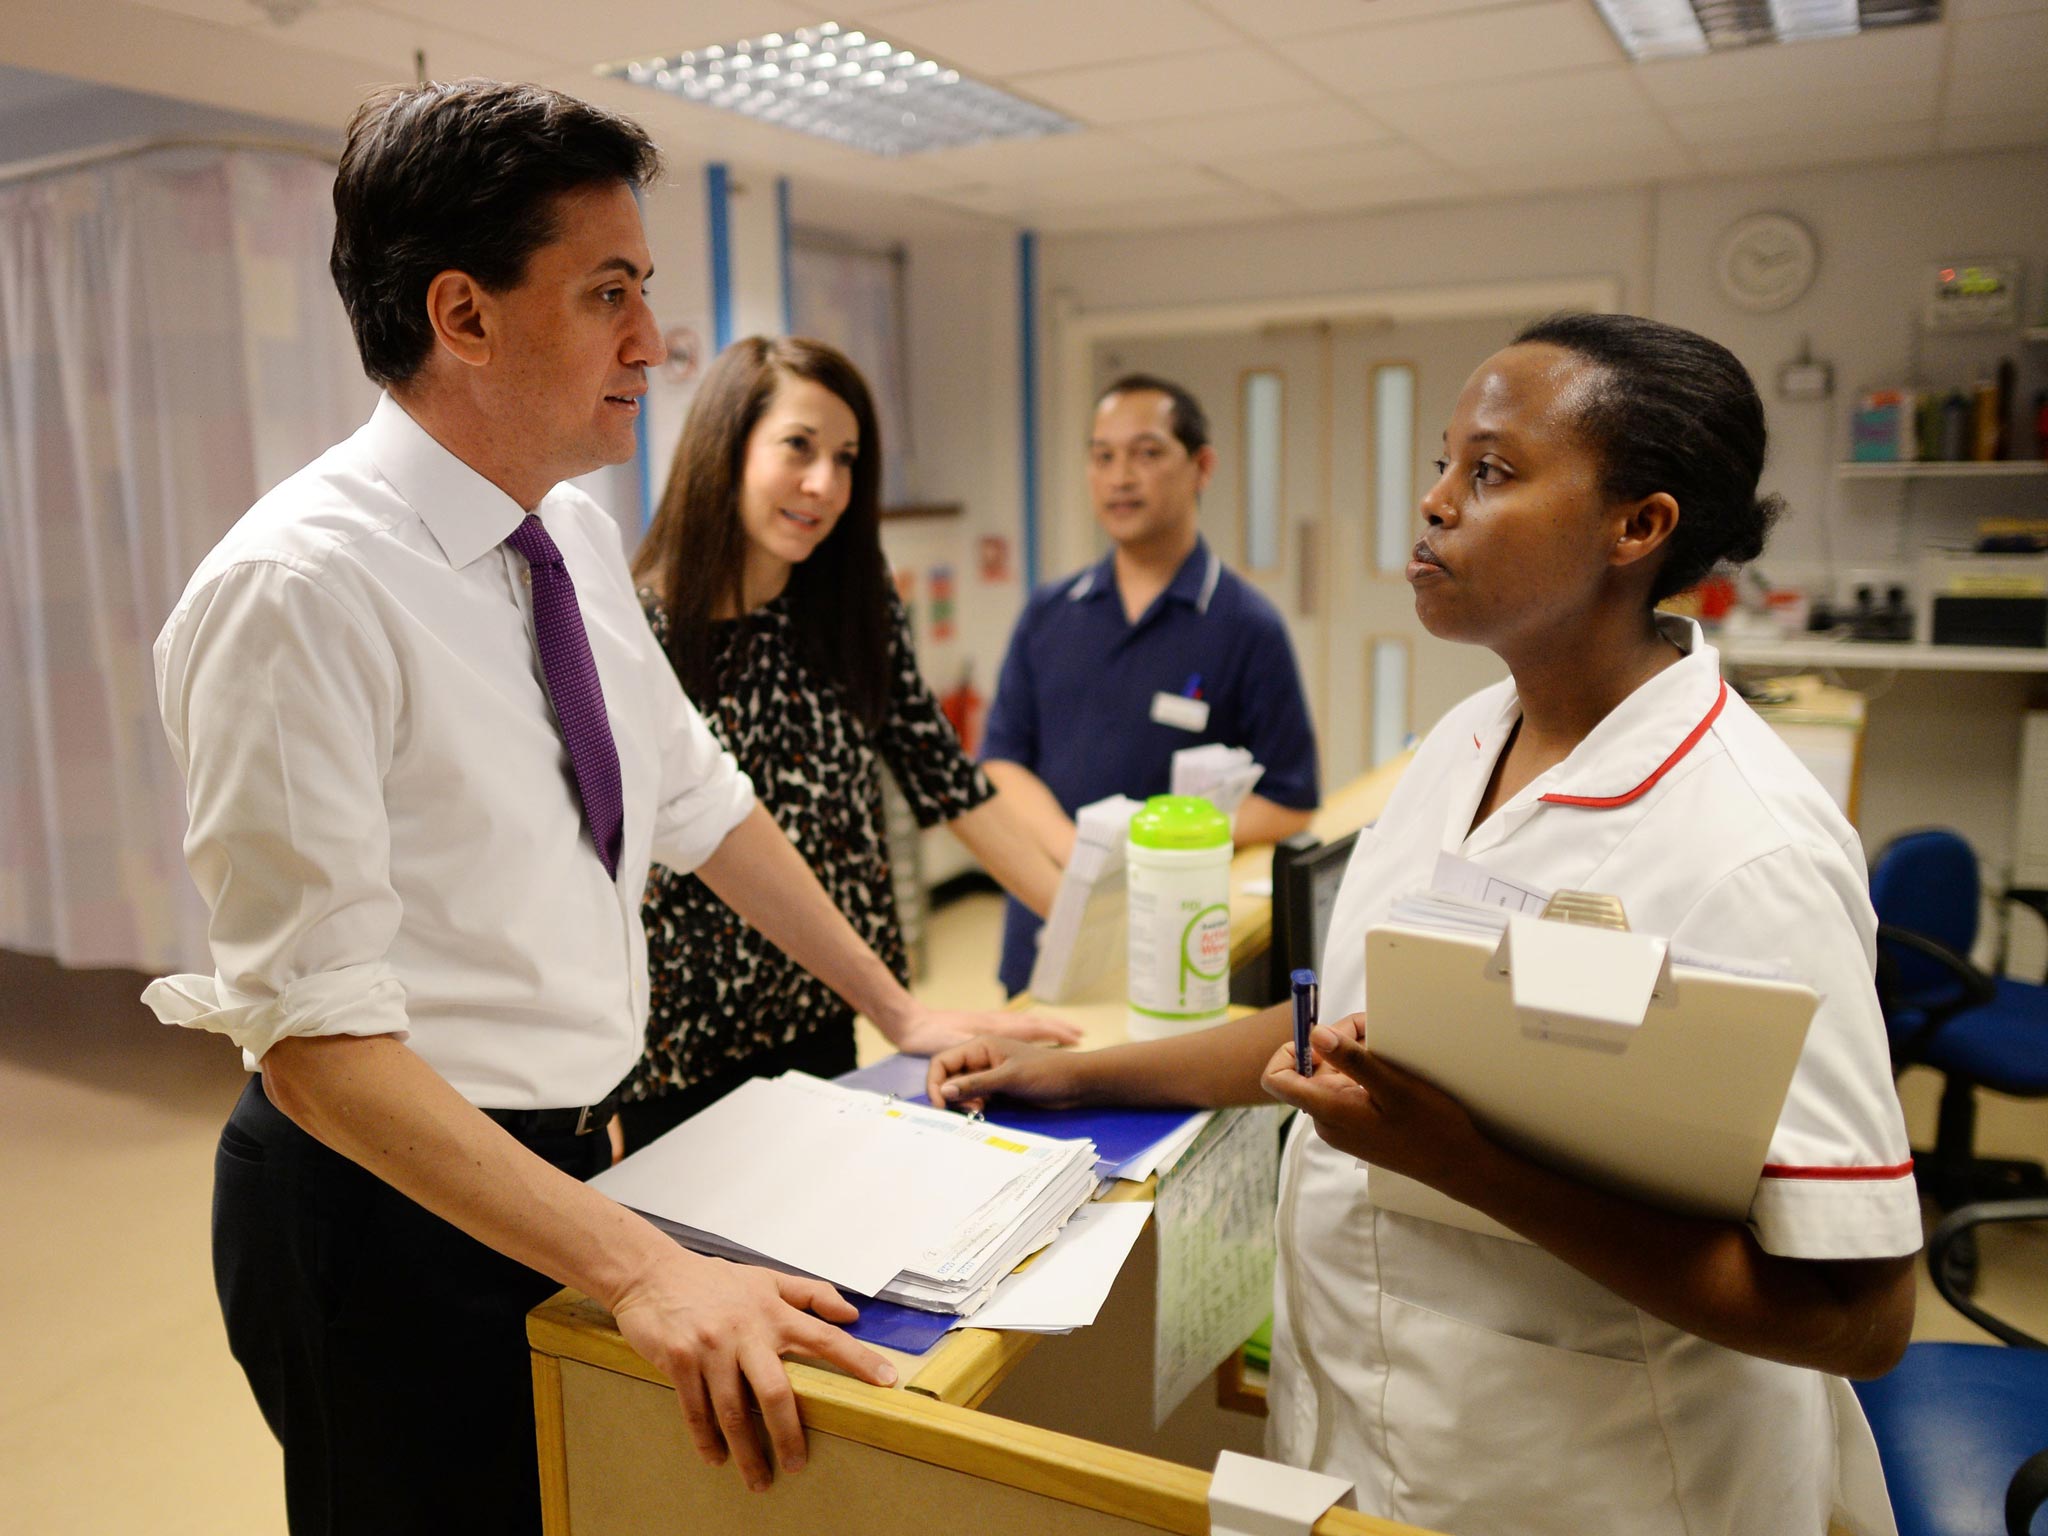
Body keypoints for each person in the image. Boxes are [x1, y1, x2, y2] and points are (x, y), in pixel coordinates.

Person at [138, 81, 1014, 1534]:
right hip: (379, 1204)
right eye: (609, 292)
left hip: (567, 1161)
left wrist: (905, 1012)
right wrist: (644, 1268)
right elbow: (315, 1049)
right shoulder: (298, 590)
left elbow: (701, 804)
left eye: (646, 290)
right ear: (462, 314)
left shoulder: (573, 537)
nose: (650, 342)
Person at [927, 314, 1920, 1536]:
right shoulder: (1456, 750)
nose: (1435, 503)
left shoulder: (1745, 842)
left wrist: (1465, 1164)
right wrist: (1076, 1076)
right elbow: (1343, 1039)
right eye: (1441, 463)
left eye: (1490, 472)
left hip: (1590, 1483)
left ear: (1636, 526)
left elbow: (1861, 1319)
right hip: (1359, 1439)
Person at [619, 336, 1077, 1151]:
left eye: (847, 458)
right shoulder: (640, 631)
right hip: (685, 1042)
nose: (823, 484)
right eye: (798, 447)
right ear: (727, 448)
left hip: (833, 1005)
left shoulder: (851, 610)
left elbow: (946, 779)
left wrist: (1081, 923)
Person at [981, 373, 1321, 994]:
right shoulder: (1049, 612)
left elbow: (1289, 801)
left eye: (1146, 452)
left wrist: (1147, 842)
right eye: (1103, 456)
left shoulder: (1246, 625)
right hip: (1045, 913)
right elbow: (1001, 762)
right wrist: (1083, 854)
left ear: (1202, 466)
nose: (1120, 476)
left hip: (1179, 935)